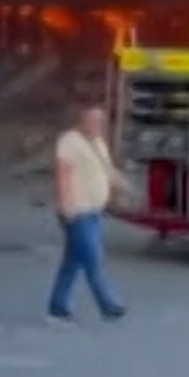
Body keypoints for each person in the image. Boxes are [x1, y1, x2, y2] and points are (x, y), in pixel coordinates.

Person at [47, 102, 129, 324]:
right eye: (93, 119)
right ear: (82, 119)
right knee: (93, 258)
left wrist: (121, 186)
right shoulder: (69, 142)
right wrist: (67, 208)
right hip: (77, 212)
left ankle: (57, 305)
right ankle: (108, 304)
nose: (97, 124)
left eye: (100, 120)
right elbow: (62, 176)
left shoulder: (99, 143)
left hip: (94, 212)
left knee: (72, 262)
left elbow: (106, 171)